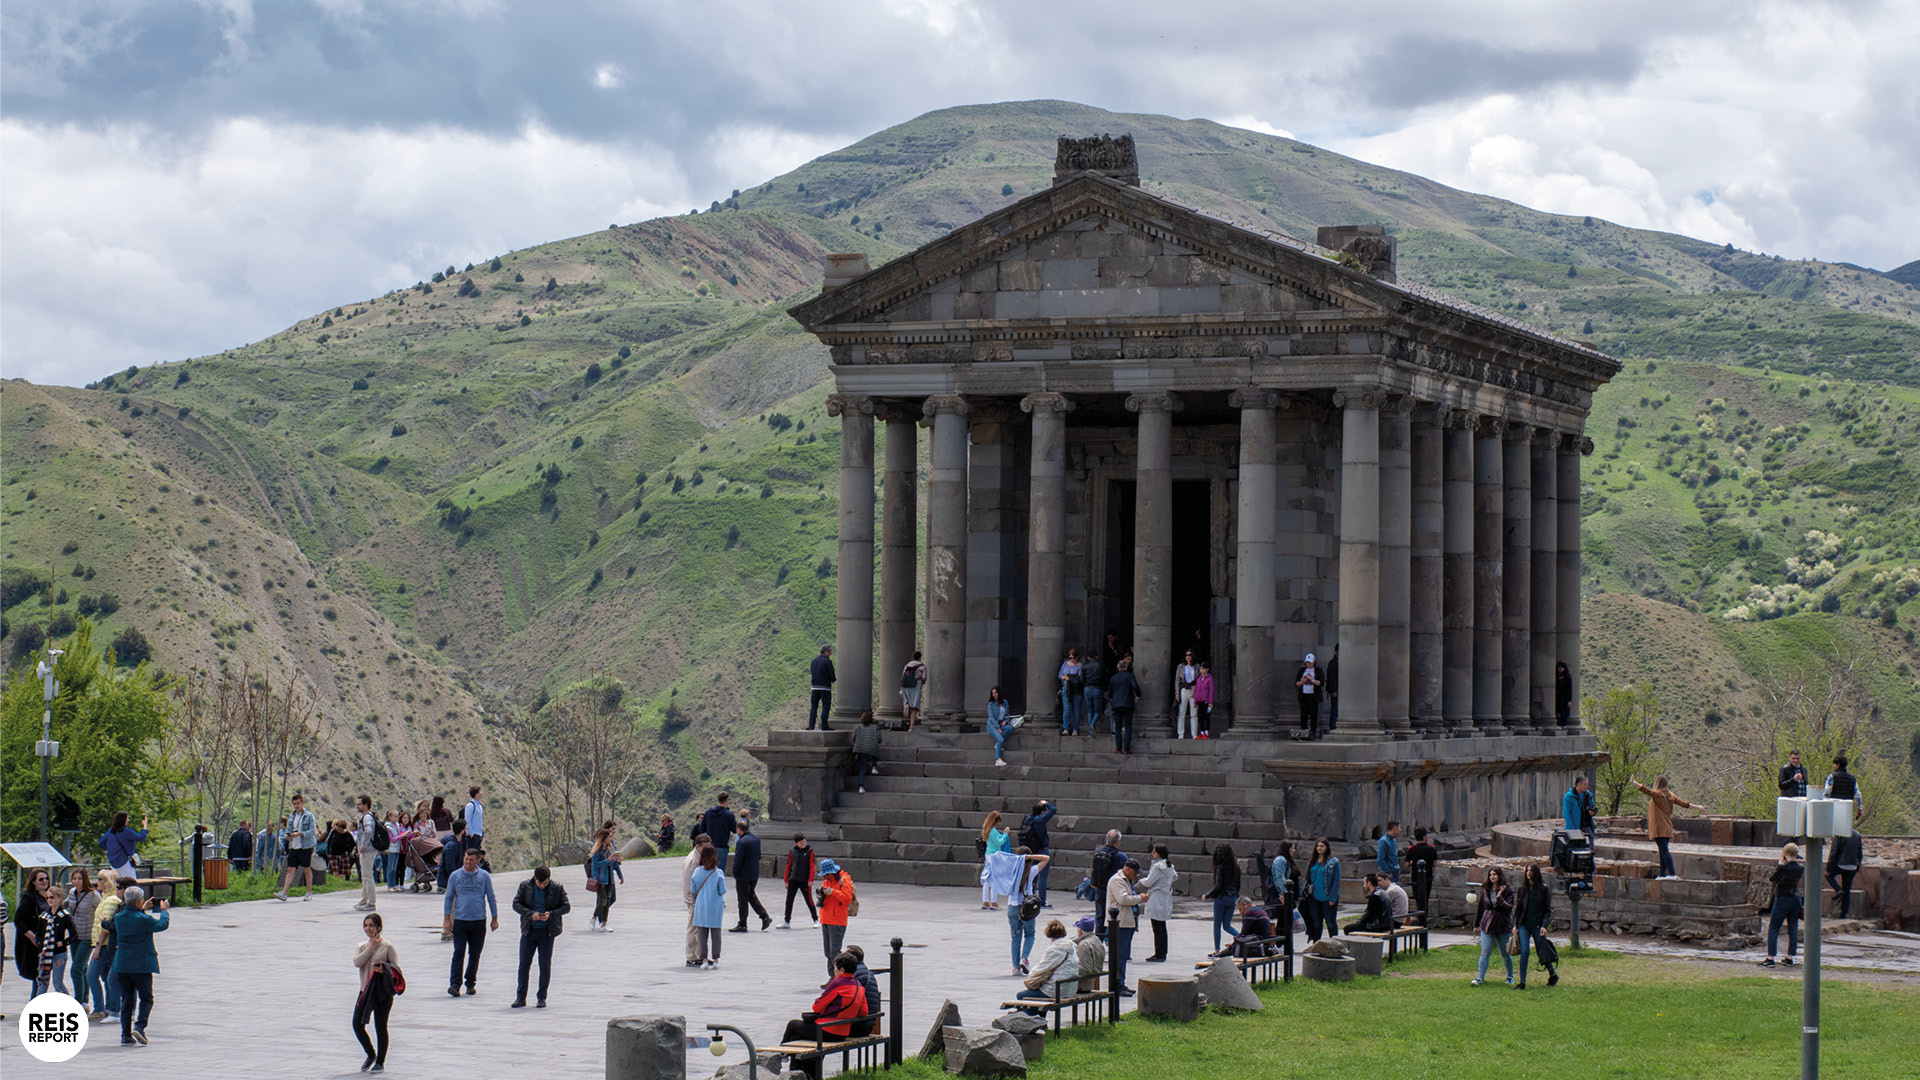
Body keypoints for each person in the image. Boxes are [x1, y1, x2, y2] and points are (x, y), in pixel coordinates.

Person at [780, 953, 868, 1080]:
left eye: (835, 968)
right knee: (796, 1037)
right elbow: (864, 1011)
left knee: (793, 1025)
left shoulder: (837, 983)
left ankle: (781, 1055)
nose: (834, 971)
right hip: (842, 1033)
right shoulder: (859, 986)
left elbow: (817, 1007)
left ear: (841, 969)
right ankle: (799, 1073)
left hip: (827, 1030)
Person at [111, 886, 168, 1045]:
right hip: (141, 964)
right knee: (146, 997)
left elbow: (132, 917)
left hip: (122, 964)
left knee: (127, 1000)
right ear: (140, 900)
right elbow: (161, 925)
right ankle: (140, 1026)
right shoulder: (143, 920)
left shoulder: (119, 917)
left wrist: (142, 909)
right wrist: (163, 910)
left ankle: (125, 1035)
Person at [507, 865, 569, 1009]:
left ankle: (542, 997)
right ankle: (520, 997)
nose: (542, 886)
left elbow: (566, 906)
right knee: (523, 965)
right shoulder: (524, 886)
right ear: (534, 878)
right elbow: (516, 904)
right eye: (539, 883)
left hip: (547, 932)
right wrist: (530, 914)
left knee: (545, 965)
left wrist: (551, 914)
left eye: (545, 883)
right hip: (529, 931)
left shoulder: (557, 887)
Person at [442, 845, 498, 996]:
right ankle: (455, 984)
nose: (468, 862)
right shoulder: (455, 876)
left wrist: (494, 918)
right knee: (459, 952)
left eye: (471, 860)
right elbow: (449, 897)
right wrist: (447, 919)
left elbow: (491, 897)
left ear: (477, 861)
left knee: (475, 954)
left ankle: (470, 983)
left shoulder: (484, 876)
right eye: (466, 859)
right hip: (460, 921)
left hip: (478, 921)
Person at [352, 911, 399, 1071]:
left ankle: (381, 1061)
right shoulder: (361, 946)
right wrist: (370, 949)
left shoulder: (388, 947)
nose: (368, 929)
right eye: (366, 926)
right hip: (364, 990)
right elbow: (357, 963)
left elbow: (396, 970)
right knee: (357, 1024)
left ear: (379, 927)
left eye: (372, 925)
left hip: (381, 993)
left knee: (380, 1026)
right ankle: (370, 1053)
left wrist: (384, 970)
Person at [1632, 775, 1697, 879]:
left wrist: (1634, 783)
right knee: (1662, 850)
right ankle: (1662, 874)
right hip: (1667, 826)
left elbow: (1647, 791)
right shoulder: (1671, 795)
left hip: (1659, 827)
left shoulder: (1658, 794)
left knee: (1664, 851)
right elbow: (1684, 804)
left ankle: (1672, 873)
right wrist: (1698, 807)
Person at [87, 872, 128, 1021]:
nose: (97, 882)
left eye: (100, 880)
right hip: (101, 944)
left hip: (104, 944)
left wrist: (98, 946)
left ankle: (100, 1008)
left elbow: (106, 925)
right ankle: (110, 1007)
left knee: (92, 975)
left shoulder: (111, 900)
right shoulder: (105, 898)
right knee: (105, 977)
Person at [1005, 848, 1052, 975]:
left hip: (1012, 905)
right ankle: (1024, 958)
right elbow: (1046, 858)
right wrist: (1029, 856)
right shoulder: (1031, 871)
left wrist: (1019, 859)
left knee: (1015, 937)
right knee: (1030, 934)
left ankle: (1015, 967)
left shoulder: (1011, 871)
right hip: (1027, 906)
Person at [1016, 919, 1080, 1012]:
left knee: (1021, 995)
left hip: (1057, 990)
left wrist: (1031, 974)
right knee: (1039, 993)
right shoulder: (1071, 946)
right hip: (1070, 988)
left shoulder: (1055, 949)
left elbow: (1042, 968)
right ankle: (1039, 1019)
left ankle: (1027, 1020)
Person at [1104, 859, 1146, 996]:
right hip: (1119, 924)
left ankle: (1121, 983)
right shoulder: (1117, 880)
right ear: (1127, 870)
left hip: (1127, 923)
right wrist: (1140, 898)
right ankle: (1117, 985)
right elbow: (1123, 899)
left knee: (1123, 956)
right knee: (1119, 956)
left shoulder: (1126, 880)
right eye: (1135, 873)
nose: (1136, 876)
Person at [1515, 864, 1558, 988]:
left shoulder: (1543, 889)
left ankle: (1553, 974)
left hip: (1538, 925)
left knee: (1541, 951)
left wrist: (1545, 926)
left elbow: (1547, 910)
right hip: (1524, 924)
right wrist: (1515, 924)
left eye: (1531, 871)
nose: (1528, 873)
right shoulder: (1522, 889)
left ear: (1536, 873)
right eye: (1527, 870)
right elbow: (1518, 909)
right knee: (1524, 951)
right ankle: (1522, 982)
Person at [12, 867, 53, 1000]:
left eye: (46, 878)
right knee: (40, 976)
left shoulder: (50, 895)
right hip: (35, 944)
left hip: (49, 940)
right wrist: (32, 936)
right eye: (41, 879)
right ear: (34, 882)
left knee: (44, 976)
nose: (45, 881)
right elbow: (18, 920)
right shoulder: (29, 899)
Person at [1471, 867, 1516, 986]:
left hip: (1502, 924)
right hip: (1488, 923)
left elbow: (1509, 907)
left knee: (1505, 953)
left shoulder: (1507, 891)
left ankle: (1510, 976)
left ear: (1499, 876)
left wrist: (1500, 898)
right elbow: (1481, 907)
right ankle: (1480, 978)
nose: (1492, 877)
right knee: (1485, 952)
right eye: (1490, 874)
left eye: (1495, 874)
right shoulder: (1486, 889)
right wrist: (1476, 924)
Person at [1762, 843, 1804, 967]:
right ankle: (1789, 957)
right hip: (1795, 899)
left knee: (1774, 927)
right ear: (1796, 854)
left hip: (1783, 899)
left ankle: (1770, 958)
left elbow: (1773, 879)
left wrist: (1780, 863)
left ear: (1784, 854)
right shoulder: (1800, 867)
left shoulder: (1783, 868)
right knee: (1793, 928)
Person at [65, 868, 99, 1009]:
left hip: (87, 936)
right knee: (82, 968)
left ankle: (78, 1001)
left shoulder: (93, 895)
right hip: (75, 936)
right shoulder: (72, 893)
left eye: (79, 879)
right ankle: (85, 1001)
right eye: (74, 879)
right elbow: (65, 904)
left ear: (85, 880)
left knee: (76, 969)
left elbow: (101, 909)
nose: (76, 882)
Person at [276, 793, 320, 901]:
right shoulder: (292, 816)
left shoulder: (309, 816)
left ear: (302, 803)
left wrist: (300, 834)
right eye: (294, 804)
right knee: (290, 869)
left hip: (305, 846)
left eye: (298, 803)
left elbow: (312, 831)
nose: (296, 806)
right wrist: (288, 834)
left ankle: (309, 891)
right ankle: (284, 892)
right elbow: (289, 829)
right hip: (293, 845)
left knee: (306, 868)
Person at [730, 820, 772, 932]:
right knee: (750, 896)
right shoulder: (756, 839)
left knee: (743, 900)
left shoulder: (742, 842)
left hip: (743, 875)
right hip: (753, 873)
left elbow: (738, 859)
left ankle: (743, 924)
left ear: (739, 829)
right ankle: (764, 916)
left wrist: (735, 871)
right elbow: (758, 855)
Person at [817, 859, 855, 977]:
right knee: (828, 952)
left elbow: (847, 899)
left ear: (831, 872)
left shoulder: (844, 880)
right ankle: (832, 977)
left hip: (837, 920)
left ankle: (838, 977)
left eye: (825, 875)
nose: (824, 877)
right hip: (826, 918)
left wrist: (832, 892)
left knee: (834, 952)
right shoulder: (827, 881)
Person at [1139, 844, 1177, 962]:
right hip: (1165, 896)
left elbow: (1149, 881)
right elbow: (1175, 877)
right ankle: (1162, 952)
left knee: (1156, 927)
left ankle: (1158, 953)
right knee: (1162, 926)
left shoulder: (1157, 867)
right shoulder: (1169, 865)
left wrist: (1141, 881)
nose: (1152, 853)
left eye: (1154, 852)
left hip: (1156, 896)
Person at [1087, 830, 1126, 940]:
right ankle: (1113, 943)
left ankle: (1098, 941)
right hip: (1114, 891)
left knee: (1100, 916)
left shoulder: (1098, 851)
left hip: (1099, 888)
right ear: (1118, 842)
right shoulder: (1120, 856)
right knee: (1114, 917)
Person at [1202, 843, 1242, 952]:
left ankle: (1217, 950)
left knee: (1217, 925)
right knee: (1227, 926)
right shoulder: (1236, 866)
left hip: (1221, 898)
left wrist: (1208, 895)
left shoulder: (1220, 867)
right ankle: (1242, 939)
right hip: (1232, 898)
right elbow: (1238, 884)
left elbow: (1218, 886)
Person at [1020, 799, 1058, 906]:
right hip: (1042, 850)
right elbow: (1053, 809)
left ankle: (1029, 896)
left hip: (1032, 851)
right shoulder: (1040, 820)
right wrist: (1045, 803)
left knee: (1032, 875)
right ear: (1042, 812)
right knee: (1043, 876)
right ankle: (1042, 900)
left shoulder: (1028, 820)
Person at [1303, 838, 1341, 941]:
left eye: (1322, 846)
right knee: (1316, 923)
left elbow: (1336, 880)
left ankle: (1334, 943)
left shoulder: (1334, 861)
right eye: (1318, 846)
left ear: (1327, 847)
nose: (1319, 848)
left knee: (1330, 923)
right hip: (1314, 897)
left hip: (1328, 897)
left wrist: (1333, 898)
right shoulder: (1312, 860)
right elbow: (1307, 878)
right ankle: (1316, 944)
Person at [682, 833, 711, 967]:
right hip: (694, 900)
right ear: (697, 846)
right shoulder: (692, 861)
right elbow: (689, 884)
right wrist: (692, 903)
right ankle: (691, 956)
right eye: (705, 847)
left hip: (701, 898)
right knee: (693, 928)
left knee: (701, 928)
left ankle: (701, 955)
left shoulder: (701, 857)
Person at [588, 826, 623, 931]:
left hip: (609, 879)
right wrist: (607, 860)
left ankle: (604, 923)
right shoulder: (597, 851)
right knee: (602, 901)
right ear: (604, 838)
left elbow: (614, 865)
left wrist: (620, 875)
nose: (610, 839)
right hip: (600, 879)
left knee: (607, 901)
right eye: (609, 837)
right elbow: (595, 865)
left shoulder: (610, 849)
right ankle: (593, 918)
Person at [1826, 825, 1864, 918]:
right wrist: (1857, 866)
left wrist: (1828, 868)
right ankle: (1843, 914)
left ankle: (1838, 889)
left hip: (1840, 864)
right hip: (1852, 866)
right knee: (1847, 890)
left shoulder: (1839, 834)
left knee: (1828, 876)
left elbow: (1834, 852)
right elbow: (1860, 853)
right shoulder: (1857, 834)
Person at [783, 833, 819, 928]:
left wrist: (811, 879)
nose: (803, 843)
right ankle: (786, 921)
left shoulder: (810, 851)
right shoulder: (792, 851)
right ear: (796, 843)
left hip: (805, 880)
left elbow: (812, 865)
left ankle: (815, 919)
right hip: (793, 879)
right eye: (801, 842)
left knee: (809, 900)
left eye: (804, 841)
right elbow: (788, 865)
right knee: (789, 900)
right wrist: (786, 880)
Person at [100, 810, 150, 880]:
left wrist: (107, 849)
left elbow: (101, 841)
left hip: (113, 863)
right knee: (131, 883)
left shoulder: (110, 832)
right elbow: (141, 838)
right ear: (123, 820)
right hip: (125, 862)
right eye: (127, 818)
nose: (128, 820)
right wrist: (145, 826)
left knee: (118, 884)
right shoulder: (127, 832)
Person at [978, 812, 1012, 908]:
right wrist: (1005, 834)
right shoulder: (993, 831)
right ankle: (993, 901)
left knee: (987, 879)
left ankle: (985, 901)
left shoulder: (987, 829)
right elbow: (998, 842)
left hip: (988, 854)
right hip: (994, 855)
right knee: (994, 879)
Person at [1108, 658, 1141, 754]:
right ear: (1126, 667)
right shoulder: (1130, 676)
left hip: (1117, 704)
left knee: (1118, 727)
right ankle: (1126, 748)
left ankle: (1118, 748)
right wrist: (1138, 694)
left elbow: (1109, 692)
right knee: (1128, 726)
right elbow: (1135, 687)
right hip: (1128, 703)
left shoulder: (1113, 678)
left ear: (1118, 667)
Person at [1406, 828, 1439, 923]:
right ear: (1424, 837)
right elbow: (1435, 864)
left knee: (1418, 899)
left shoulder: (1411, 849)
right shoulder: (1432, 848)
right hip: (1428, 877)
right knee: (1426, 899)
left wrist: (1413, 862)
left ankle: (1420, 918)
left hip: (1415, 878)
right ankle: (1424, 919)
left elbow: (1407, 864)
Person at [701, 793, 738, 875]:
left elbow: (702, 829)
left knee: (708, 871)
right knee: (719, 873)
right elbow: (735, 830)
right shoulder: (729, 815)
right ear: (726, 800)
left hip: (709, 846)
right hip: (722, 846)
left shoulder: (708, 812)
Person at [354, 795, 380, 911]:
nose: (357, 806)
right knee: (365, 876)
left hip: (368, 850)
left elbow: (368, 831)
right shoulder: (367, 817)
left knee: (368, 876)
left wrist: (363, 845)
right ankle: (364, 900)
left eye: (359, 804)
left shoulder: (366, 818)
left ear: (365, 805)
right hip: (368, 850)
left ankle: (371, 902)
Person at [1071, 917, 1106, 993]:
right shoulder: (1097, 940)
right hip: (1090, 981)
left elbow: (1084, 969)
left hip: (1083, 985)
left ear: (1080, 930)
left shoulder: (1083, 945)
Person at [851, 711, 882, 794]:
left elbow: (853, 737)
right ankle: (874, 766)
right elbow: (879, 740)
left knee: (862, 768)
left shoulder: (857, 727)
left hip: (861, 749)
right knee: (873, 750)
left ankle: (861, 786)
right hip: (872, 749)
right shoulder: (875, 727)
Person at [1172, 650, 1200, 738]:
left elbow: (1199, 679)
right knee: (1181, 713)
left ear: (1193, 656)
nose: (1187, 657)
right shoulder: (1180, 666)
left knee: (1194, 713)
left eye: (1189, 655)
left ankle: (1194, 734)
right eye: (1186, 655)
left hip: (1193, 690)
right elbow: (1177, 680)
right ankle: (1180, 734)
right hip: (1184, 690)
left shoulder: (1197, 666)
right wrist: (1177, 693)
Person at [1059, 649, 1087, 735]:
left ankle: (1076, 728)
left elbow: (1080, 678)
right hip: (1066, 688)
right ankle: (1066, 728)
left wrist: (1070, 678)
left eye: (1073, 657)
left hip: (1076, 689)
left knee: (1077, 710)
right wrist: (1063, 677)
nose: (1071, 659)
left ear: (1077, 657)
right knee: (1066, 710)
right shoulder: (1065, 664)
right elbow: (1059, 674)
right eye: (1069, 657)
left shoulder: (1080, 666)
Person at [1562, 776, 1597, 843]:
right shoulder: (1569, 796)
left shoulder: (1588, 795)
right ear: (1578, 785)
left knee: (1590, 844)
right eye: (1585, 784)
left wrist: (1593, 811)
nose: (1586, 786)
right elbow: (1567, 814)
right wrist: (1572, 829)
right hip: (1575, 826)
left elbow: (1592, 806)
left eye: (1587, 784)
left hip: (1586, 824)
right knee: (1576, 846)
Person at [809, 645, 836, 730]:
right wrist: (833, 680)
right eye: (830, 652)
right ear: (826, 652)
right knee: (826, 706)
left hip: (814, 687)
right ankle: (824, 725)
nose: (831, 653)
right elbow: (831, 674)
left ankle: (811, 726)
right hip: (825, 687)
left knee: (814, 706)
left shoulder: (814, 661)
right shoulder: (827, 661)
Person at [1295, 653, 1323, 738]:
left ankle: (1313, 732)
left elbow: (1321, 683)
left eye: (1310, 662)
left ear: (1314, 662)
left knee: (1314, 715)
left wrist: (1312, 680)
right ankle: (1304, 733)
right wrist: (1303, 681)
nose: (1308, 664)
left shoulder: (1318, 670)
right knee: (1304, 715)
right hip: (1304, 696)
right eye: (1307, 662)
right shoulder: (1301, 671)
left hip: (1313, 696)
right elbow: (1296, 683)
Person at [900, 650, 928, 730]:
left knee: (908, 701)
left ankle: (907, 705)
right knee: (914, 708)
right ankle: (911, 727)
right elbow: (924, 677)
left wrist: (901, 691)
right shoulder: (922, 666)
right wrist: (921, 683)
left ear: (912, 657)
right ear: (920, 658)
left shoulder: (907, 666)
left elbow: (903, 678)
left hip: (906, 686)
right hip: (916, 686)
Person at [1080, 649, 1106, 736]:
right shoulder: (1100, 665)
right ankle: (1092, 724)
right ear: (1096, 656)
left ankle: (1089, 731)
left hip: (1087, 688)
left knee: (1089, 710)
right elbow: (1104, 677)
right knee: (1098, 710)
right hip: (1097, 688)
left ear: (1088, 657)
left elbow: (1081, 679)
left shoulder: (1085, 666)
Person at [384, 813, 411, 893]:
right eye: (395, 817)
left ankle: (395, 885)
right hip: (392, 849)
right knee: (390, 867)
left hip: (397, 848)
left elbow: (399, 834)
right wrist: (402, 836)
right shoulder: (388, 827)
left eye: (397, 817)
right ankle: (390, 885)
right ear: (390, 817)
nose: (396, 818)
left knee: (395, 868)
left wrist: (409, 834)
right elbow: (392, 839)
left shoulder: (397, 825)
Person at [986, 686, 1013, 766]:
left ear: (999, 693)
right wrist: (997, 728)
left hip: (1001, 723)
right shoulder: (991, 704)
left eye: (995, 693)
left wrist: (1006, 721)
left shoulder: (1005, 702)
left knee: (1010, 729)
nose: (994, 694)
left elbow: (1008, 715)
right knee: (1000, 739)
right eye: (993, 693)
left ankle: (997, 744)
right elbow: (991, 717)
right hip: (992, 725)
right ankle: (997, 759)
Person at [1192, 661, 1215, 739]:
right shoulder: (1199, 679)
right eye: (1201, 669)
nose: (1202, 671)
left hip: (1206, 701)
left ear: (1207, 669)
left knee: (1206, 717)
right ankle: (1201, 732)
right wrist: (1195, 701)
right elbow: (1197, 690)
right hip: (1199, 701)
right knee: (1200, 717)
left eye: (1203, 669)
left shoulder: (1210, 678)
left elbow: (1211, 690)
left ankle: (1206, 732)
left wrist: (1210, 702)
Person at [462, 786, 486, 855]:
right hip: (473, 835)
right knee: (470, 854)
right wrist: (471, 833)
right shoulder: (471, 805)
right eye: (480, 791)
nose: (482, 793)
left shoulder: (479, 805)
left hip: (478, 834)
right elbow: (467, 820)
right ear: (476, 794)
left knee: (476, 855)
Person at [1326, 643, 1341, 732]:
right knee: (1335, 709)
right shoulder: (1332, 663)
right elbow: (1331, 678)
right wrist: (1334, 690)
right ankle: (1333, 726)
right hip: (1336, 690)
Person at [1554, 661, 1573, 725]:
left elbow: (1569, 688)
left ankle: (1564, 724)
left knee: (1564, 711)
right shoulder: (1556, 676)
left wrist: (1569, 700)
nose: (1560, 669)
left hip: (1565, 697)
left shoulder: (1567, 676)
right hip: (1558, 696)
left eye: (1561, 668)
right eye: (1559, 668)